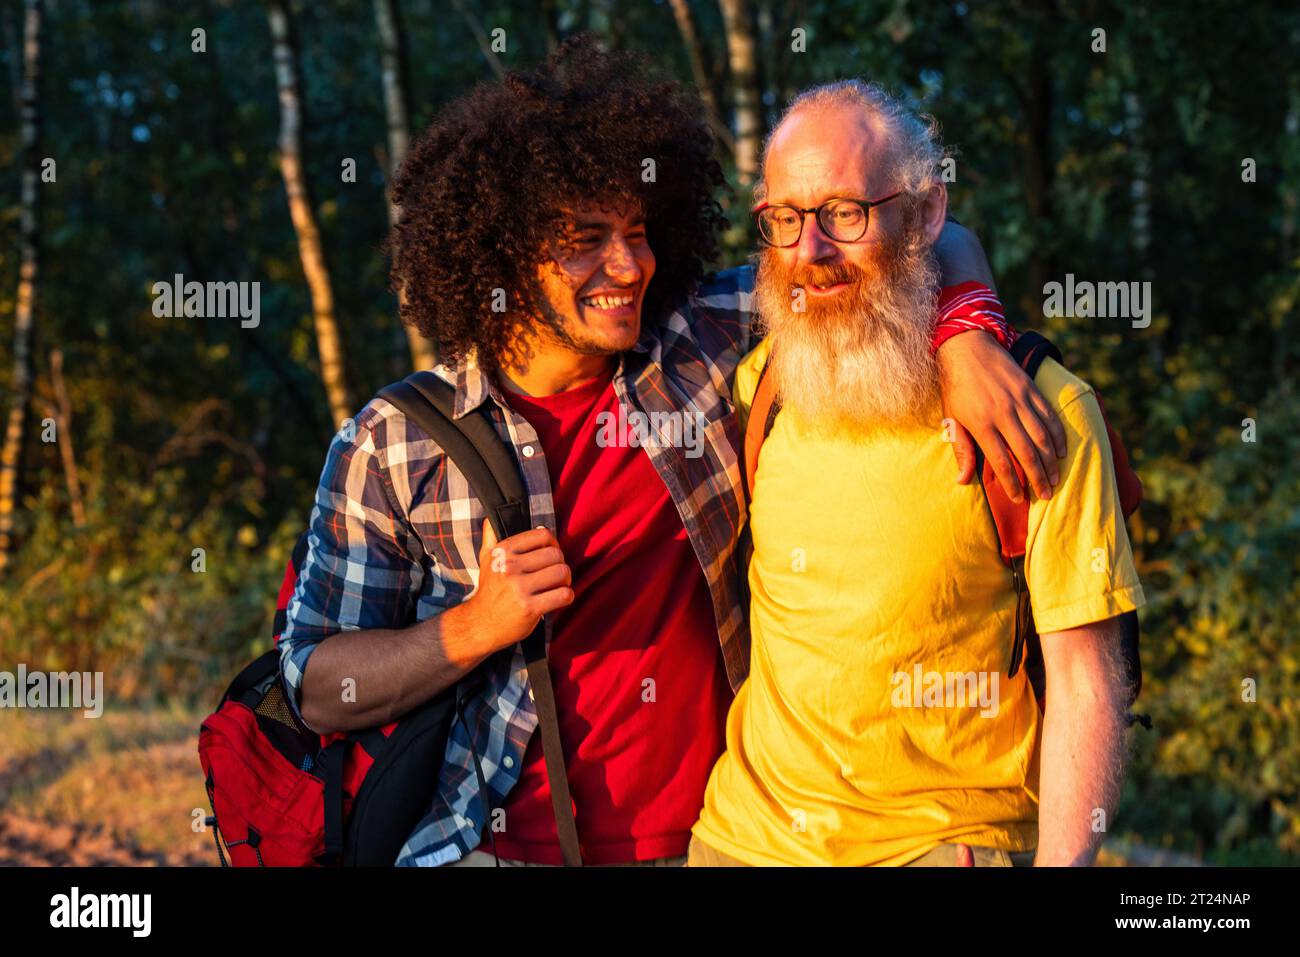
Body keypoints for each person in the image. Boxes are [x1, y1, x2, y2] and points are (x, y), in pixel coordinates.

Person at [278, 37, 1061, 867]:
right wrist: (471, 628)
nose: (628, 265)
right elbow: (316, 684)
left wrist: (969, 330)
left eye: (639, 231)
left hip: (721, 843)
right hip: (486, 846)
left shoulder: (704, 343)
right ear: (504, 250)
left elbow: (910, 235)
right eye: (585, 237)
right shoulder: (394, 442)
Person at [688, 80, 1145, 868]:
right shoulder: (759, 380)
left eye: (845, 213)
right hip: (739, 840)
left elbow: (1087, 681)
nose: (809, 251)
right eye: (785, 219)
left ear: (925, 215)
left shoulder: (1045, 413)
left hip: (940, 847)